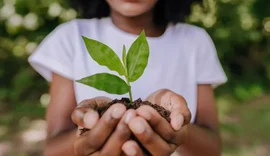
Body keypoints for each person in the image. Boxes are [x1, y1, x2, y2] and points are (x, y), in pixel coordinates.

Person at [28, 0, 227, 155]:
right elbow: (53, 149)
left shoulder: (194, 42)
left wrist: (175, 129)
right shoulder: (70, 38)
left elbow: (211, 149)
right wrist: (96, 131)